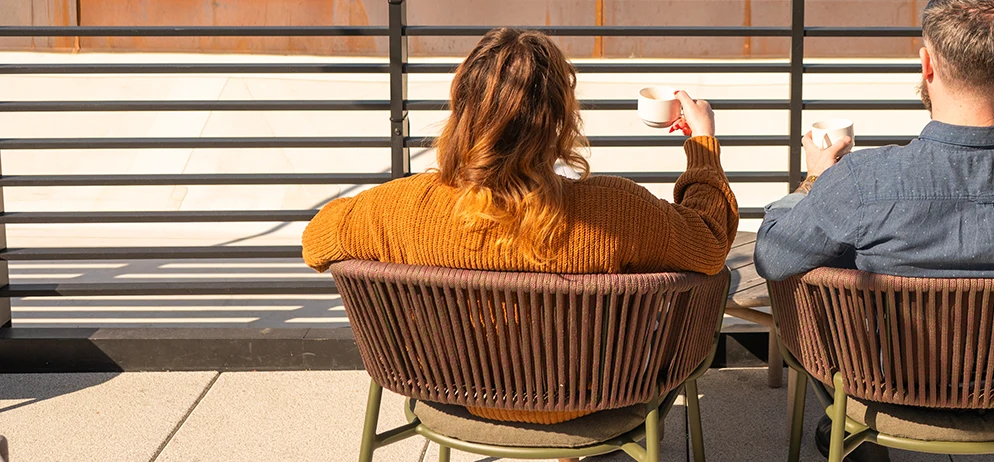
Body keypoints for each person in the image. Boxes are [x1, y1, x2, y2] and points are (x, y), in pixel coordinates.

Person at [303, 26, 738, 422]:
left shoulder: (402, 207)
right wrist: (702, 142)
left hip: (459, 395)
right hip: (593, 400)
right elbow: (711, 241)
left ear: (462, 114)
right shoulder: (616, 211)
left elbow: (315, 241)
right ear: (558, 121)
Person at [755, 0, 994, 281]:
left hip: (896, 361)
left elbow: (772, 256)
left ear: (926, 64)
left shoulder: (862, 182)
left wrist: (814, 179)